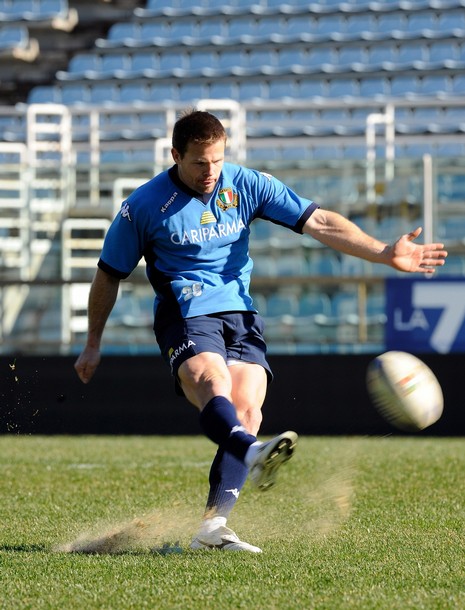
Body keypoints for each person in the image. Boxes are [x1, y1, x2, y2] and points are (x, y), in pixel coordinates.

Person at [74, 109, 447, 553]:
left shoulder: (247, 184)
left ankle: (212, 528)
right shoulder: (143, 206)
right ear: (175, 155)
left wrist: (384, 252)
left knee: (248, 413)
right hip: (186, 313)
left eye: (217, 160)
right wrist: (92, 342)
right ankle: (251, 454)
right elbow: (108, 274)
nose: (210, 171)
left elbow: (320, 222)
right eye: (199, 162)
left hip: (241, 315)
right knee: (211, 381)